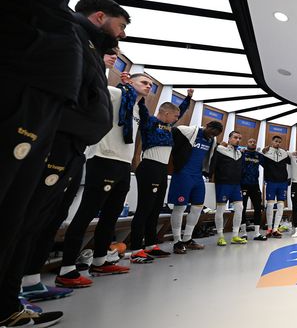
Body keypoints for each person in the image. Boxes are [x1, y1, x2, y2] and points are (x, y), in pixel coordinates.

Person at [8, 0, 123, 307]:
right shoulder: (69, 34)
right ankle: (10, 301)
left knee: (41, 218)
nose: (121, 35)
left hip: (72, 146)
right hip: (53, 141)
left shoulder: (88, 48)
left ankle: (21, 290)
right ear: (100, 17)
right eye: (120, 26)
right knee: (21, 218)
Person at [55, 72, 153, 288]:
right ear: (129, 81)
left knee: (111, 216)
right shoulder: (117, 93)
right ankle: (67, 269)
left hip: (123, 164)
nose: (148, 87)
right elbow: (90, 90)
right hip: (102, 158)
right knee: (86, 214)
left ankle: (100, 261)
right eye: (144, 82)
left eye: (151, 85)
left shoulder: (139, 109)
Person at [129, 89, 191, 262]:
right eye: (174, 116)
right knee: (144, 208)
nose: (176, 119)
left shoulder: (169, 126)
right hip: (149, 167)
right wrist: (141, 98)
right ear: (165, 113)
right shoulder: (150, 122)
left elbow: (181, 109)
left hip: (162, 170)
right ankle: (135, 250)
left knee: (155, 209)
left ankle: (150, 245)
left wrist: (188, 98)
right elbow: (141, 108)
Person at [167, 121, 223, 254]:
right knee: (179, 207)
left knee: (198, 207)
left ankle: (187, 239)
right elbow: (174, 130)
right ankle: (177, 242)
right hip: (183, 174)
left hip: (198, 176)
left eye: (215, 135)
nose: (212, 136)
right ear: (207, 126)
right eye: (211, 132)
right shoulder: (190, 131)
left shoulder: (212, 140)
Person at [210, 131, 247, 246]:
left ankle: (235, 235)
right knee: (220, 209)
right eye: (235, 137)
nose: (238, 140)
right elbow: (212, 164)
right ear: (229, 138)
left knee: (239, 208)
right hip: (223, 183)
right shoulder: (220, 149)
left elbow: (242, 170)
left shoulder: (240, 154)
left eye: (240, 138)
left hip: (236, 185)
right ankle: (220, 236)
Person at [260, 136, 290, 238]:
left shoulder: (284, 153)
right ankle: (269, 229)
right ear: (272, 141)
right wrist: (263, 152)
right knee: (270, 205)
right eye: (276, 141)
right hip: (271, 182)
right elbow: (259, 160)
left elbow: (293, 162)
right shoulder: (265, 152)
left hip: (282, 183)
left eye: (279, 142)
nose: (277, 143)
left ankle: (276, 229)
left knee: (281, 206)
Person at [241, 138, 266, 240]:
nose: (252, 143)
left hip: (255, 184)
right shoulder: (242, 153)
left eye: (254, 142)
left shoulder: (258, 155)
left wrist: (265, 152)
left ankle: (257, 233)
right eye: (250, 142)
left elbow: (266, 164)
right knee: (242, 208)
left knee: (258, 208)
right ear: (247, 143)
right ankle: (243, 233)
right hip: (243, 184)